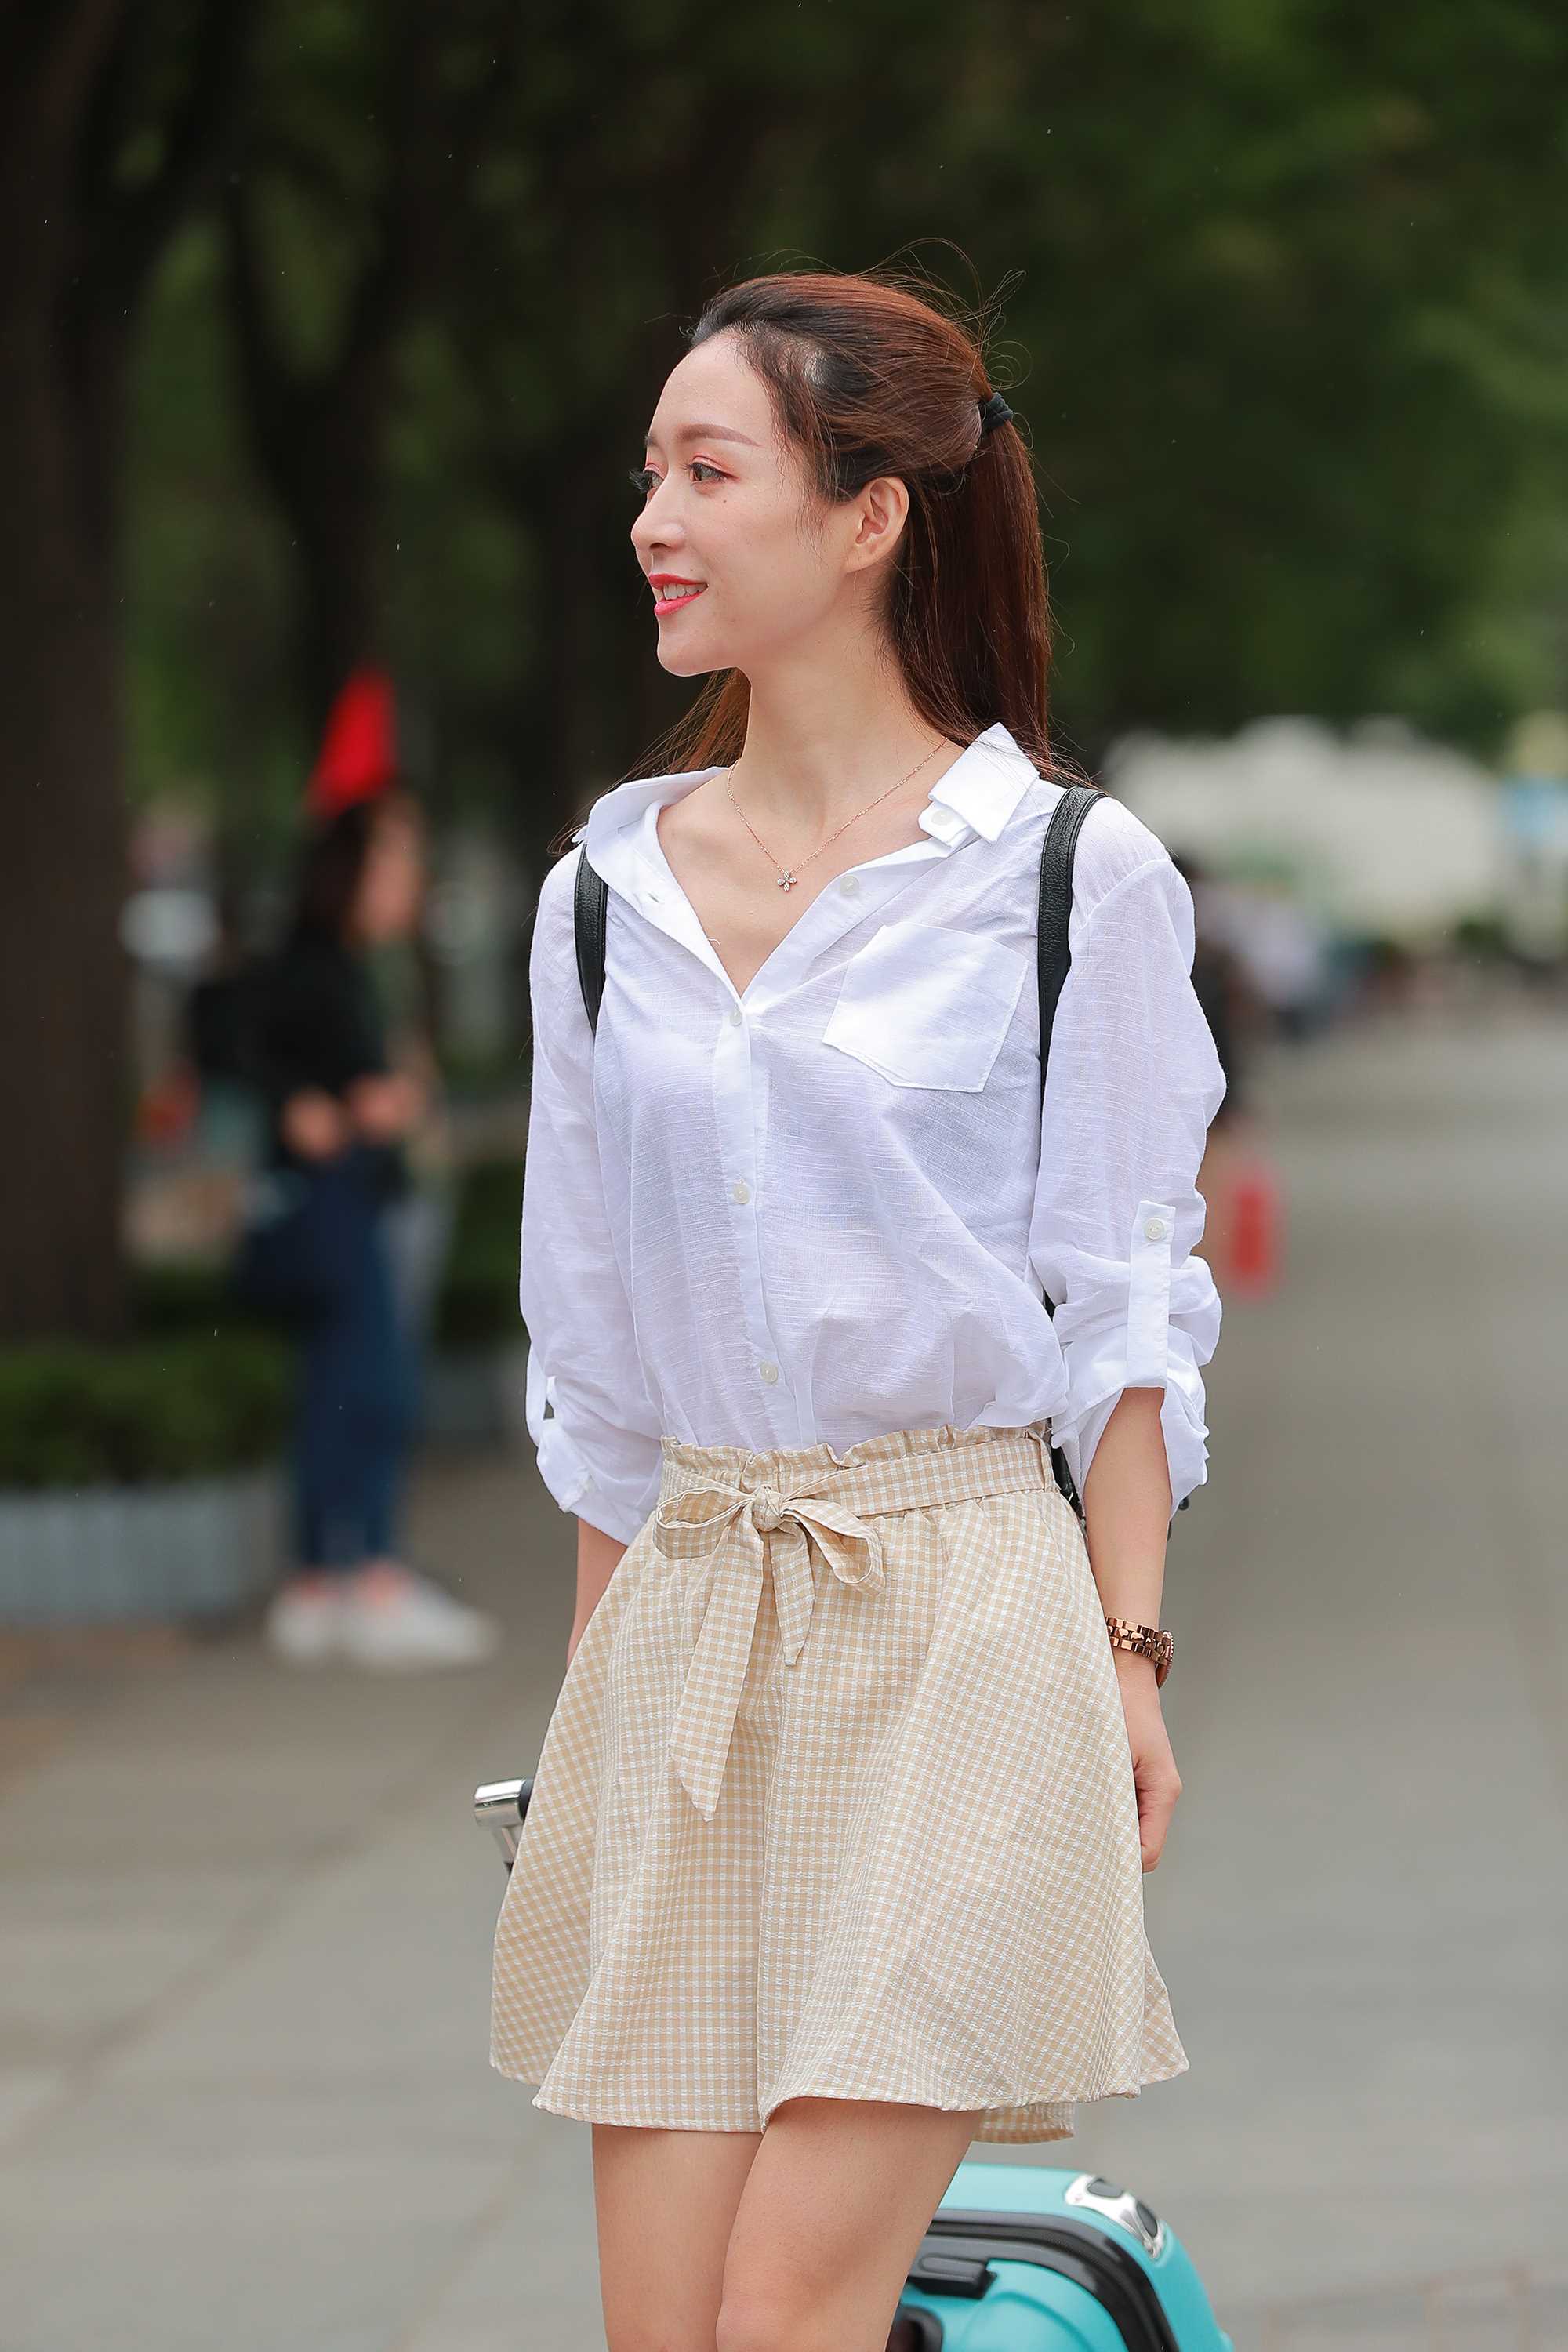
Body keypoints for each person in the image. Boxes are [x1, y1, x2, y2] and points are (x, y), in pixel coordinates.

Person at [490, 266, 1226, 2352]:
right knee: (664, 2332)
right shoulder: (601, 900)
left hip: (963, 1615)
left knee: (789, 2309)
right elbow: (596, 1367)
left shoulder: (1066, 874)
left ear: (868, 514)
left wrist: (1130, 1656)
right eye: (649, 474)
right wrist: (584, 1729)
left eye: (708, 471)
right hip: (692, 1622)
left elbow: (1126, 1310)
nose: (654, 520)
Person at [249, 670, 499, 1671]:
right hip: (337, 1208)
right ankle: (356, 1573)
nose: (410, 876)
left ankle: (338, 1574)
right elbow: (245, 1047)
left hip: (371, 1203)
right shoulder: (310, 966)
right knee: (362, 1388)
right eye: (396, 854)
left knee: (358, 1387)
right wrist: (313, 1107)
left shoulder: (367, 968)